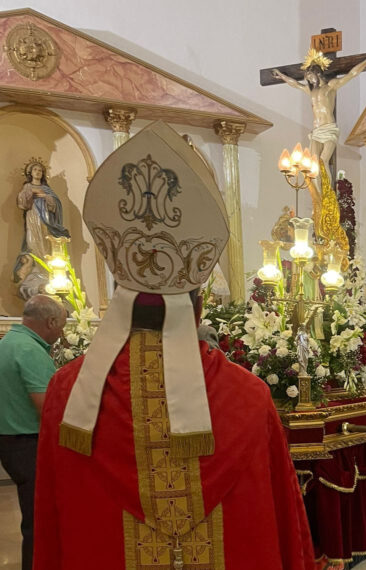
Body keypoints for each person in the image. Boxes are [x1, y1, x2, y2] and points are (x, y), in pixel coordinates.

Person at [33, 121, 314, 569]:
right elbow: (277, 524)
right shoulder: (249, 397)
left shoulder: (68, 400)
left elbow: (53, 526)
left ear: (120, 302)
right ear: (197, 305)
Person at [0, 294, 66, 570]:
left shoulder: (8, 343)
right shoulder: (29, 350)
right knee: (39, 520)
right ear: (50, 321)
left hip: (10, 440)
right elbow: (49, 409)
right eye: (61, 325)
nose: (62, 332)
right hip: (28, 443)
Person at [272, 48, 366, 165]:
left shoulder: (331, 86)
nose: (308, 79)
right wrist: (281, 76)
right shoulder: (311, 90)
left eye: (309, 76)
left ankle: (327, 184)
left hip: (329, 129)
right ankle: (315, 184)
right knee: (312, 163)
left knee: (323, 161)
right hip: (317, 131)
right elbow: (295, 84)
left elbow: (351, 74)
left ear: (317, 73)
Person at [13, 161, 70, 300]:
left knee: (47, 245)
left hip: (46, 222)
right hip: (33, 219)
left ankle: (47, 272)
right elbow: (22, 203)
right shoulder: (27, 186)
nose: (38, 172)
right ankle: (36, 270)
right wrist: (31, 192)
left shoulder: (46, 189)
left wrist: (46, 196)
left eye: (40, 170)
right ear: (30, 173)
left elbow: (55, 205)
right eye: (35, 170)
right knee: (33, 244)